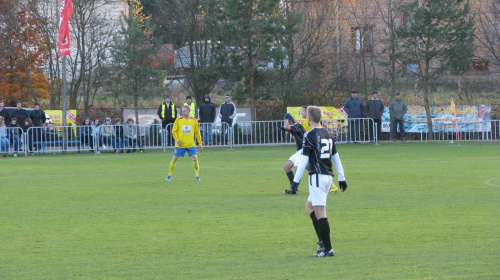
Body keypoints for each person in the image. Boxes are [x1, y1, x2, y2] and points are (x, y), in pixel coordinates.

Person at [290, 106, 348, 257]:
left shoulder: (309, 134)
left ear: (309, 117)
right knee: (310, 206)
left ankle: (327, 248)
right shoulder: (328, 133)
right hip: (328, 176)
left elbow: (303, 160)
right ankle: (322, 241)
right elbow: (336, 157)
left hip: (317, 176)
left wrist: (295, 182)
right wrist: (341, 177)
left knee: (320, 212)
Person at [166, 105, 203, 182]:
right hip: (180, 145)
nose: (183, 112)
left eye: (184, 111)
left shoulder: (194, 121)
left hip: (190, 144)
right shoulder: (178, 120)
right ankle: (169, 175)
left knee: (195, 158)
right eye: (182, 111)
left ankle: (197, 176)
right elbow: (174, 131)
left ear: (189, 111)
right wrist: (177, 139)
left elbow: (197, 133)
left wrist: (200, 143)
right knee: (174, 159)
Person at [281, 113, 306, 194]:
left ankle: (294, 189)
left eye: (287, 121)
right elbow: (287, 128)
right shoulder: (293, 127)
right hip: (299, 151)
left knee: (297, 168)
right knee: (286, 167)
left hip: (304, 150)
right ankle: (293, 187)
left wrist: (285, 119)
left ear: (290, 121)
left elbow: (287, 127)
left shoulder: (297, 125)